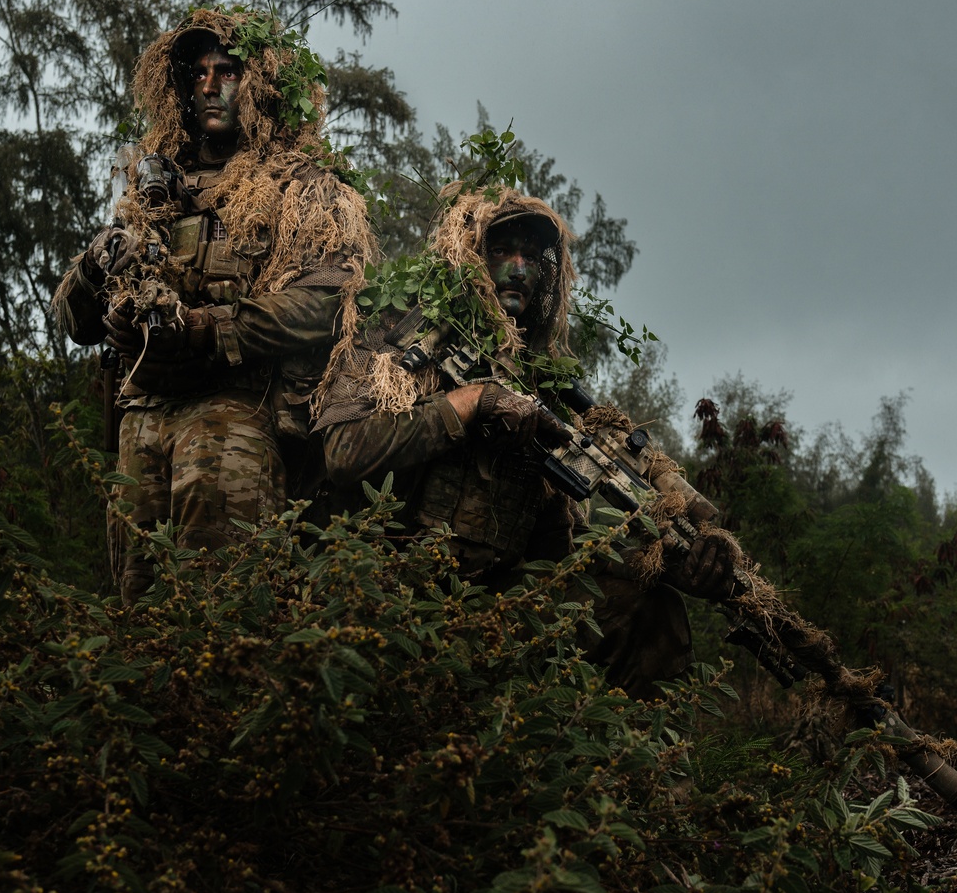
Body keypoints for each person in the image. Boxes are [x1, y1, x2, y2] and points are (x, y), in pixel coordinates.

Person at [311, 188, 734, 697]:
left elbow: (559, 548)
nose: (517, 268)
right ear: (467, 257)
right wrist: (470, 404)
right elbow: (343, 452)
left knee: (647, 605)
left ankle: (631, 771)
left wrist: (668, 558)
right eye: (501, 251)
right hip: (386, 586)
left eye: (531, 256)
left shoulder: (541, 378)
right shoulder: (397, 330)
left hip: (495, 602)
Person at [54, 8, 376, 602]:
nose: (208, 84)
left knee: (224, 609)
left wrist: (205, 328)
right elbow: (77, 323)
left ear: (259, 86)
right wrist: (98, 268)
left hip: (234, 415)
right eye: (197, 71)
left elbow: (325, 306)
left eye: (226, 70)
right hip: (140, 420)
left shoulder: (300, 187)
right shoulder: (151, 190)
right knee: (139, 611)